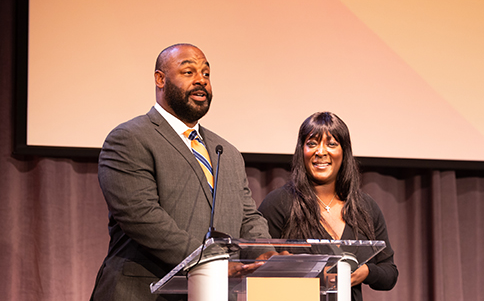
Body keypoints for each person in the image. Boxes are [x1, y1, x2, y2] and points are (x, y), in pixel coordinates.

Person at [91, 43, 272, 301]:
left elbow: (247, 217)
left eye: (206, 74)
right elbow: (142, 216)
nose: (201, 80)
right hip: (144, 292)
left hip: (216, 293)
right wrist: (211, 263)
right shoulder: (129, 139)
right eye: (189, 73)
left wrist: (266, 253)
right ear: (160, 79)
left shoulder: (227, 152)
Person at [258, 112, 398, 301]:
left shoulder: (365, 207)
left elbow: (389, 273)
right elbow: (258, 268)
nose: (321, 152)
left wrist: (367, 271)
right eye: (312, 143)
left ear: (344, 152)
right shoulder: (279, 203)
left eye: (331, 144)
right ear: (302, 151)